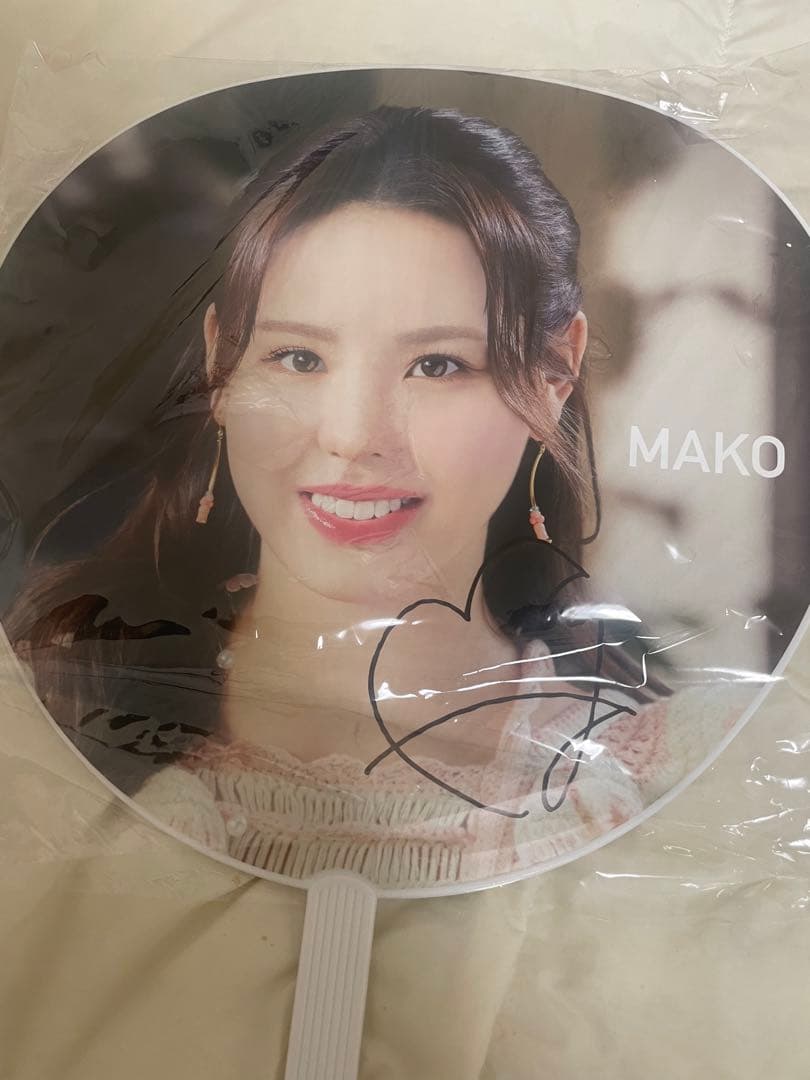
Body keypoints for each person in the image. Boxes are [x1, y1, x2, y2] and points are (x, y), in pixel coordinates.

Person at [3, 105, 744, 888]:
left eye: (437, 365)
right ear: (221, 366)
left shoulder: (689, 780)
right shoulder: (41, 715)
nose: (354, 436)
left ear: (555, 373)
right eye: (298, 358)